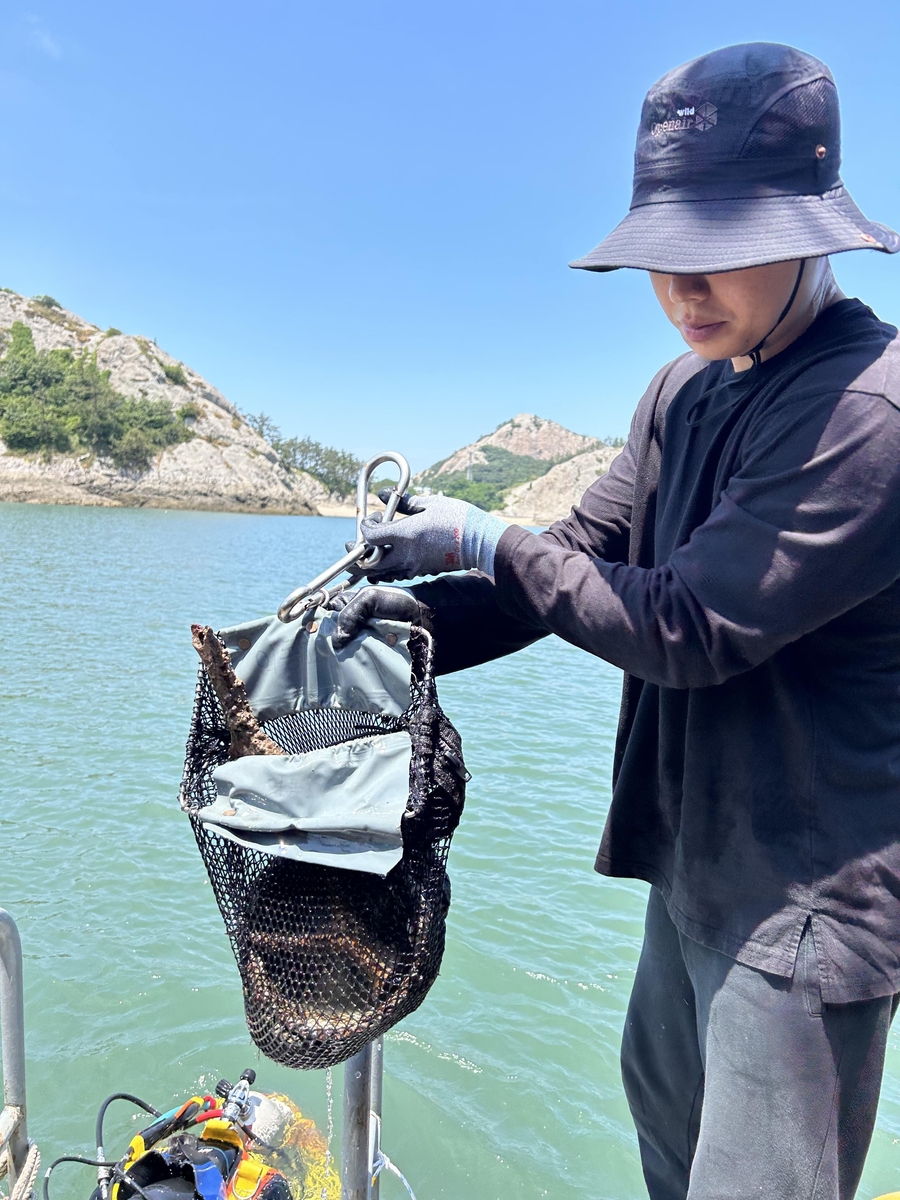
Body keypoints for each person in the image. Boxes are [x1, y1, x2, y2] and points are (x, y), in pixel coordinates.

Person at [333, 42, 900, 1200]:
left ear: (810, 232)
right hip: (693, 868)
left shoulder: (868, 409)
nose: (687, 291)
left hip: (805, 911)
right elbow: (580, 565)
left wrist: (486, 534)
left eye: (724, 253)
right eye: (665, 258)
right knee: (667, 1157)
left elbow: (686, 627)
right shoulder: (682, 391)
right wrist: (410, 617)